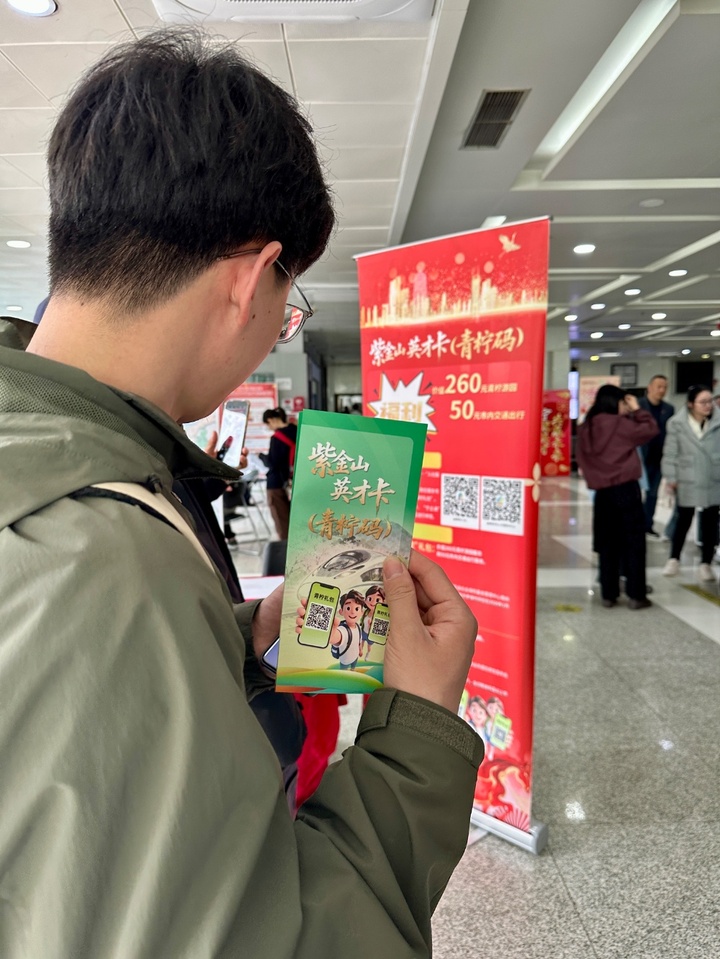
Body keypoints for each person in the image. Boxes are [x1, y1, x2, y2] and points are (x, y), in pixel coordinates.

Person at [0, 31, 483, 958]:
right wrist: (418, 727)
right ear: (250, 280)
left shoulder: (50, 469)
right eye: (286, 308)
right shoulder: (110, 558)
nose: (274, 331)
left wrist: (229, 641)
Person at [577, 385, 659, 609]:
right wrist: (637, 409)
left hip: (602, 493)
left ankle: (609, 593)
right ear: (616, 402)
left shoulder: (587, 427)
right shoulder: (621, 424)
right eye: (623, 402)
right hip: (626, 489)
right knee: (634, 542)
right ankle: (636, 595)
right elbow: (651, 429)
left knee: (607, 543)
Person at [661, 385, 720, 583]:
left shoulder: (718, 421)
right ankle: (674, 558)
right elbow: (670, 452)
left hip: (713, 477)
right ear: (690, 404)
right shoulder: (676, 424)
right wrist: (671, 477)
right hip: (687, 476)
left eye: (710, 401)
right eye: (703, 402)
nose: (708, 406)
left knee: (710, 522)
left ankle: (706, 563)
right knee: (683, 519)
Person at [638, 374, 675, 537]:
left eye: (665, 387)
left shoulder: (669, 409)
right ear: (649, 387)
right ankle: (635, 524)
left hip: (659, 458)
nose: (662, 390)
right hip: (640, 457)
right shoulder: (638, 406)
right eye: (659, 386)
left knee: (652, 494)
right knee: (636, 493)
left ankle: (648, 524)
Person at [259, 405, 296, 540]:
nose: (269, 427)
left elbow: (273, 463)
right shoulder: (296, 430)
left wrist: (261, 456)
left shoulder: (276, 438)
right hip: (295, 480)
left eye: (267, 424)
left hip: (277, 483)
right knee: (294, 517)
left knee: (282, 520)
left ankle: (286, 546)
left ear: (270, 420)